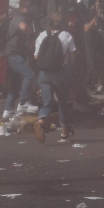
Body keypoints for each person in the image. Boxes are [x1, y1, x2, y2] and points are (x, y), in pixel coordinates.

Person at [32, 13, 76, 143]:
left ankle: (41, 121)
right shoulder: (66, 35)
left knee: (47, 102)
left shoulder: (42, 35)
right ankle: (64, 133)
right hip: (60, 73)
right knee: (63, 102)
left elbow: (36, 56)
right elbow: (73, 56)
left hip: (44, 74)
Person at [1, 0, 37, 118]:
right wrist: (32, 36)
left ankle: (8, 109)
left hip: (13, 54)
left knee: (14, 84)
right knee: (29, 74)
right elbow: (23, 28)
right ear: (22, 8)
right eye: (28, 7)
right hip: (13, 54)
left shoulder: (18, 17)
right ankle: (23, 103)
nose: (30, 9)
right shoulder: (20, 17)